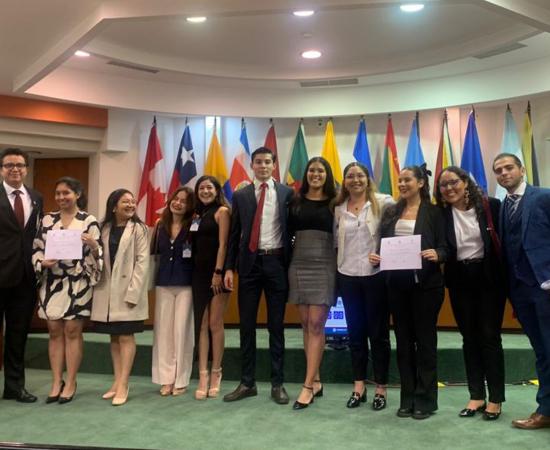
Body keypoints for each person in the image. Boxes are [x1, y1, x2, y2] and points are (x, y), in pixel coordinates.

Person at [370, 165, 447, 420]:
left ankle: (425, 400)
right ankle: (407, 398)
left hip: (426, 286)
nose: (402, 184)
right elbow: (384, 245)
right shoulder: (391, 212)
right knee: (403, 344)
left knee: (425, 343)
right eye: (400, 180)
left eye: (407, 180)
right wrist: (377, 257)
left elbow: (446, 245)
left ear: (421, 183)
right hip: (397, 286)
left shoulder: (435, 212)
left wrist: (439, 254)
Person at [223, 147, 293, 404]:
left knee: (276, 326)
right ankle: (247, 382)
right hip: (249, 265)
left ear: (274, 165)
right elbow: (234, 235)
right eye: (258, 162)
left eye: (267, 162)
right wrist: (229, 267)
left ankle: (277, 383)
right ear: (252, 165)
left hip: (276, 263)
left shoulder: (287, 193)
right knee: (246, 325)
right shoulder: (241, 195)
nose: (263, 166)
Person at [435, 166, 505, 420]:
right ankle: (476, 396)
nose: (449, 188)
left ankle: (495, 398)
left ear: (465, 182)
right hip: (459, 279)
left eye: (453, 182)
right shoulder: (441, 214)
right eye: (443, 185)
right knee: (469, 338)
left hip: (488, 278)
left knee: (489, 336)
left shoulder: (490, 206)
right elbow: (442, 246)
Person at [32, 177, 102, 404]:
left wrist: (93, 246)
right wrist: (42, 262)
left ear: (77, 194)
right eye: (58, 193)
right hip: (52, 282)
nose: (61, 197)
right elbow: (36, 249)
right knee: (54, 330)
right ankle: (56, 381)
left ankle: (71, 381)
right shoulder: (47, 220)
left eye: (66, 193)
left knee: (72, 330)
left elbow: (99, 253)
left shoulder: (88, 220)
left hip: (78, 282)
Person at [493, 153, 550, 429]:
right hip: (520, 292)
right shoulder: (503, 206)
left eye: (509, 167)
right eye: (498, 170)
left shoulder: (543, 196)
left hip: (545, 287)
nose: (504, 173)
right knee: (542, 351)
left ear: (522, 169)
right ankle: (546, 410)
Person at [334, 162, 394, 411]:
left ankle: (381, 387)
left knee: (378, 335)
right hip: (347, 276)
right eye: (350, 176)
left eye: (360, 175)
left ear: (368, 179)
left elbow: (397, 235)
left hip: (375, 276)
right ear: (344, 181)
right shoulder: (338, 208)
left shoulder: (384, 202)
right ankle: (359, 385)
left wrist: (384, 255)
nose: (355, 180)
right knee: (356, 334)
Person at [288, 157, 337, 410]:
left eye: (320, 170)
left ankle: (306, 386)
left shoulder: (336, 202)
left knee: (317, 324)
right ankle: (315, 379)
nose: (315, 174)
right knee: (306, 324)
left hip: (324, 264)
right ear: (306, 174)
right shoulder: (295, 201)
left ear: (327, 174)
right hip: (299, 263)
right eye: (311, 170)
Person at [91, 189, 149, 406]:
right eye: (125, 201)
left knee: (126, 336)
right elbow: (99, 260)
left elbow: (143, 263)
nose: (131, 205)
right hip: (107, 293)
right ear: (114, 206)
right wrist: (92, 248)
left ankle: (124, 384)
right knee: (114, 338)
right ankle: (117, 381)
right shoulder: (103, 228)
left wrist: (133, 292)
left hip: (128, 292)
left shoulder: (139, 229)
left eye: (133, 201)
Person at [0, 148, 43, 403]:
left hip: (25, 280)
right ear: (1, 170)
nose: (14, 169)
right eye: (9, 165)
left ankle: (14, 388)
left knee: (18, 337)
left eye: (19, 165)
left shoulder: (36, 198)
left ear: (26, 169)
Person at [151, 187, 195, 397]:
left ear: (189, 206)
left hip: (186, 283)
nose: (178, 203)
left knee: (182, 332)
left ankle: (181, 379)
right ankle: (166, 378)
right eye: (176, 199)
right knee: (164, 333)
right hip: (163, 282)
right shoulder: (160, 224)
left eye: (184, 201)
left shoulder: (194, 225)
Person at [192, 176, 231, 400]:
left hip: (216, 273)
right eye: (201, 188)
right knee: (201, 324)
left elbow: (224, 244)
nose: (205, 191)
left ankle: (216, 372)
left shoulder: (222, 212)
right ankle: (202, 375)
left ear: (217, 191)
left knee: (215, 323)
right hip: (197, 275)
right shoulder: (197, 215)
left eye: (209, 187)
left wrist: (218, 272)